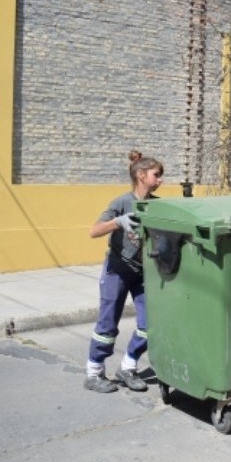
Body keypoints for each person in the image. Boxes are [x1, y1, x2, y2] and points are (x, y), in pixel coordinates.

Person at [84, 150, 163, 393]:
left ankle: (128, 366)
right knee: (108, 324)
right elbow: (94, 231)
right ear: (141, 175)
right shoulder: (121, 202)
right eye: (156, 175)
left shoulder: (157, 205)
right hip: (116, 270)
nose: (160, 180)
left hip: (142, 271)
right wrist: (118, 222)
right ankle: (94, 372)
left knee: (150, 324)